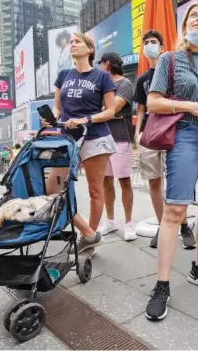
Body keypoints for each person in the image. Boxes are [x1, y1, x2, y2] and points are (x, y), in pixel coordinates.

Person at [144, 2, 198, 321]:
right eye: (194, 16)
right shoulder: (169, 59)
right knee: (175, 210)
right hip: (185, 134)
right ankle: (162, 285)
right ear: (185, 27)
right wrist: (190, 107)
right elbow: (153, 102)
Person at [43, 32, 118, 254]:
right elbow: (57, 107)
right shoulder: (64, 74)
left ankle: (88, 241)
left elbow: (111, 111)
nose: (72, 45)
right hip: (66, 138)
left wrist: (86, 119)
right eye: (71, 42)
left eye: (78, 42)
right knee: (51, 190)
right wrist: (51, 117)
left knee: (96, 190)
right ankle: (88, 233)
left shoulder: (102, 76)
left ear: (90, 49)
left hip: (95, 136)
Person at [133, 29, 196, 249]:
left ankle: (185, 225)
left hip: (174, 127)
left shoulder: (173, 69)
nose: (149, 45)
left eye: (154, 42)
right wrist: (137, 133)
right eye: (146, 42)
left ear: (162, 47)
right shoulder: (142, 78)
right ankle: (163, 226)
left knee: (177, 180)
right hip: (150, 132)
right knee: (153, 181)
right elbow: (141, 109)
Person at [96, 52, 137, 241]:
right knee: (105, 180)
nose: (99, 66)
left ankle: (129, 223)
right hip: (102, 136)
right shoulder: (100, 85)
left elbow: (115, 107)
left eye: (101, 63)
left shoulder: (125, 84)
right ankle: (110, 221)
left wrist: (101, 112)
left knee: (124, 180)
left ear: (108, 64)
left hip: (120, 136)